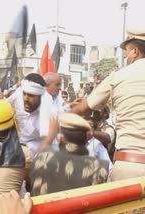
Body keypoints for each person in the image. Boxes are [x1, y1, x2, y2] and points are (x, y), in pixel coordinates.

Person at [71, 29, 145, 181]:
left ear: (135, 51)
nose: (126, 58)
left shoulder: (117, 77)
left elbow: (81, 110)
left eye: (127, 53)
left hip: (129, 166)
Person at [29, 113, 108, 196]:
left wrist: (50, 136)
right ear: (85, 141)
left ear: (61, 139)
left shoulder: (43, 158)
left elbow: (40, 153)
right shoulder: (100, 167)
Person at [8, 73, 58, 156]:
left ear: (40, 97)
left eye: (31, 95)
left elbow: (47, 142)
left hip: (38, 153)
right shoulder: (18, 95)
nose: (26, 99)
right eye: (24, 94)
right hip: (15, 146)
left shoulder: (50, 111)